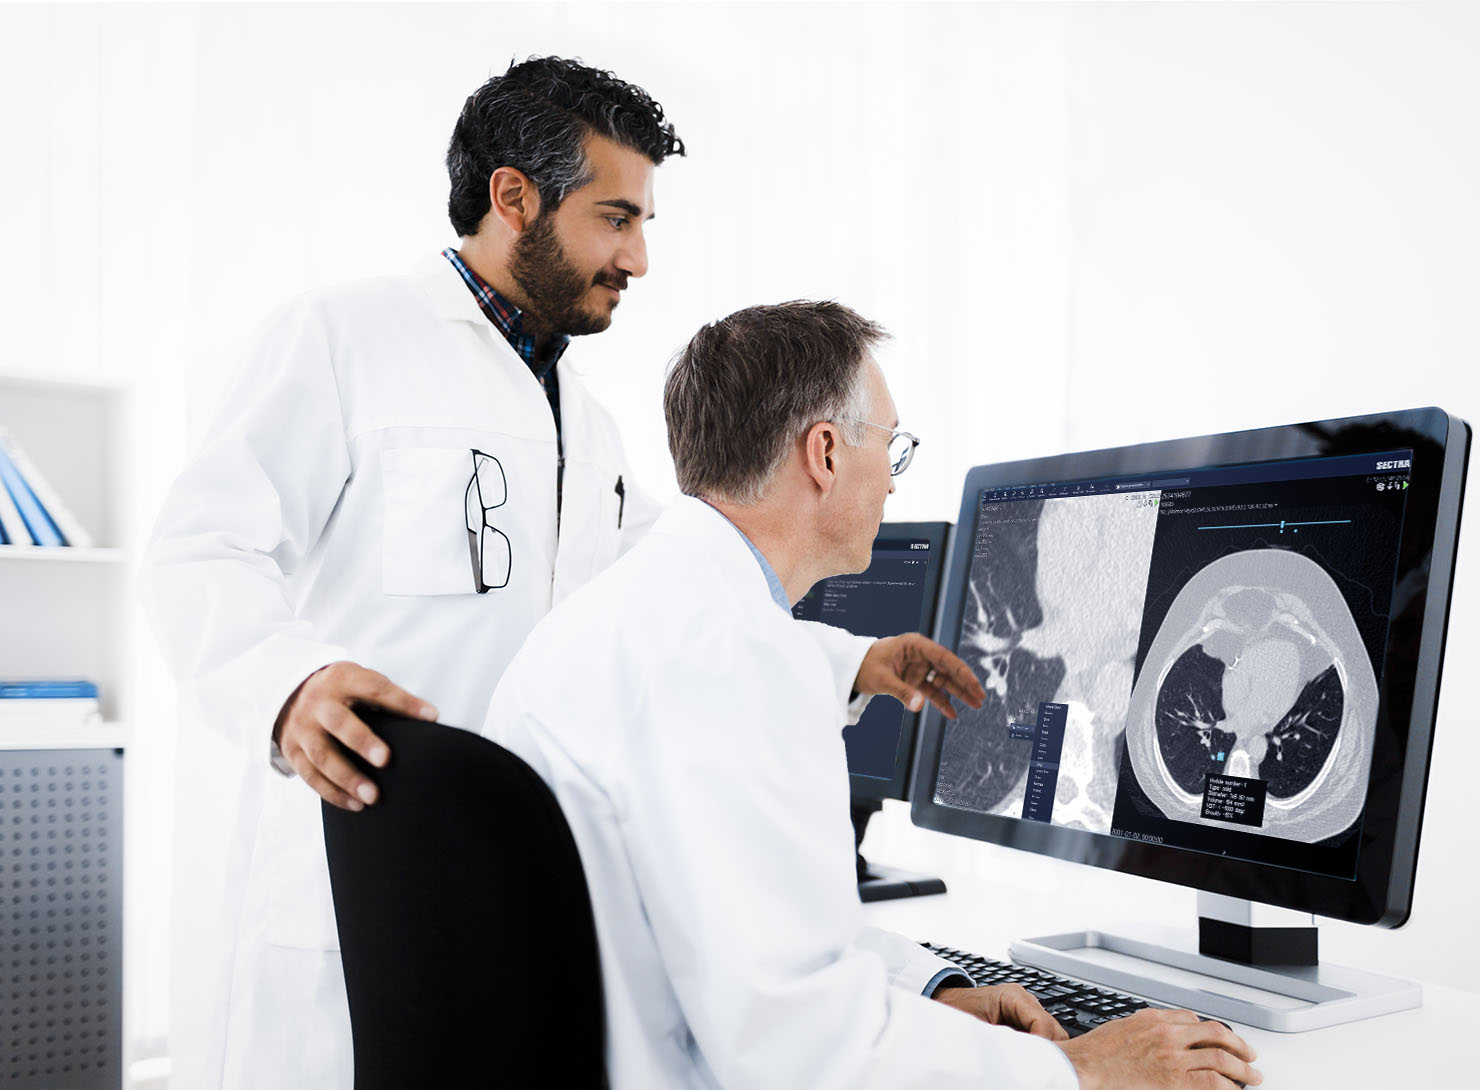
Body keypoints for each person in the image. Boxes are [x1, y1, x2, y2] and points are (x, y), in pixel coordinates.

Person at [140, 59, 967, 1089]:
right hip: (349, 876)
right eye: (616, 218)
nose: (640, 256)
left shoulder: (588, 423)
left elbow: (670, 597)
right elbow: (198, 544)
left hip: (507, 890)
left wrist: (849, 661)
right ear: (513, 196)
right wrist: (288, 683)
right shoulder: (345, 339)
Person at [482, 301, 1265, 1089]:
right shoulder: (735, 660)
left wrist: (933, 989)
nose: (892, 482)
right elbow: (805, 1052)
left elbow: (757, 935)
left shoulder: (623, 617)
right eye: (892, 447)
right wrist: (1078, 1069)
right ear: (824, 452)